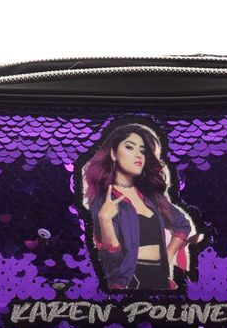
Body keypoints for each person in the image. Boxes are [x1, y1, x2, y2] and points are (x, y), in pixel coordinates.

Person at [82, 122, 196, 290]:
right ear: (113, 153)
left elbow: (182, 224)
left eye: (142, 151)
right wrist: (105, 220)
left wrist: (169, 253)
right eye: (130, 147)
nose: (139, 155)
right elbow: (112, 265)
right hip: (130, 282)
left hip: (161, 278)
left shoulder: (151, 196)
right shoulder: (103, 201)